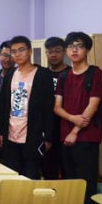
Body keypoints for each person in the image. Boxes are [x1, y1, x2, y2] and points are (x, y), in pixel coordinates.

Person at [55, 32, 102, 204]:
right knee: (69, 183)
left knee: (85, 185)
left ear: (87, 50)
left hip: (86, 138)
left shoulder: (96, 74)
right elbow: (57, 107)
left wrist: (74, 131)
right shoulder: (63, 76)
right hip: (65, 138)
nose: (74, 50)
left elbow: (92, 107)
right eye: (70, 46)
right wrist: (72, 119)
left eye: (79, 46)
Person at [0, 35, 55, 180]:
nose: (17, 54)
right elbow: (3, 105)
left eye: (21, 50)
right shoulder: (10, 75)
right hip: (11, 134)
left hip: (33, 135)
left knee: (31, 177)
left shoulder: (43, 74)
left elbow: (49, 108)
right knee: (12, 177)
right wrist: (0, 131)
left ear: (30, 51)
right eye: (13, 51)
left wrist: (48, 137)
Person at [42, 36, 69, 180]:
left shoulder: (71, 73)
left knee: (68, 171)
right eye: (50, 51)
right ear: (46, 53)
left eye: (57, 51)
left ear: (64, 52)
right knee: (49, 172)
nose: (53, 55)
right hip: (48, 131)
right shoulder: (42, 75)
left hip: (67, 128)